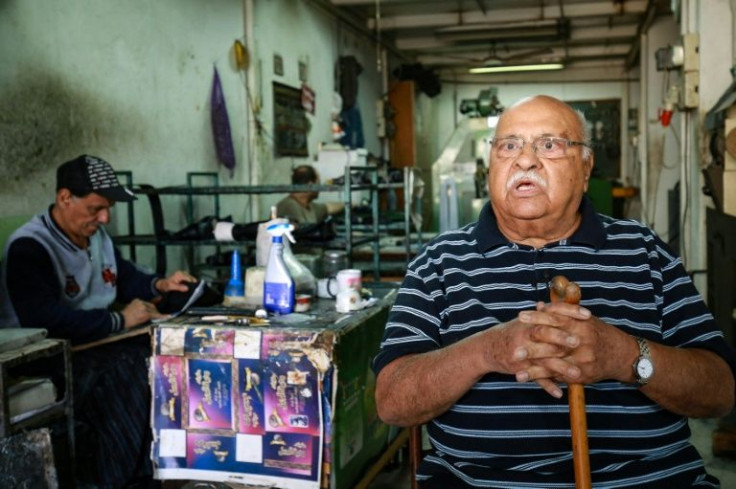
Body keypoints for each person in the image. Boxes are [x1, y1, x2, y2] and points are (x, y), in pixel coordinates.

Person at [373, 95, 736, 488]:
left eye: (550, 145)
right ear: (490, 166)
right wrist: (486, 351)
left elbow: (719, 392)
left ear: (585, 168)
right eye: (509, 145)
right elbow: (392, 401)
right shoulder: (439, 261)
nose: (525, 160)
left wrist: (624, 356)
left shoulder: (643, 251)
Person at [0, 154, 196, 487]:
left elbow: (122, 276)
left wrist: (159, 285)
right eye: (95, 209)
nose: (104, 218)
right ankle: (117, 480)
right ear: (64, 198)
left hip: (95, 340)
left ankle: (165, 467)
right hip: (45, 355)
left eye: (108, 209)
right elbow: (44, 319)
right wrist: (120, 320)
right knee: (129, 369)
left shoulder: (95, 237)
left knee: (168, 350)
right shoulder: (30, 247)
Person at [276, 164, 343, 224]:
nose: (320, 188)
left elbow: (329, 207)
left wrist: (350, 203)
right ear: (310, 185)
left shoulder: (309, 206)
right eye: (318, 183)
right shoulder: (289, 207)